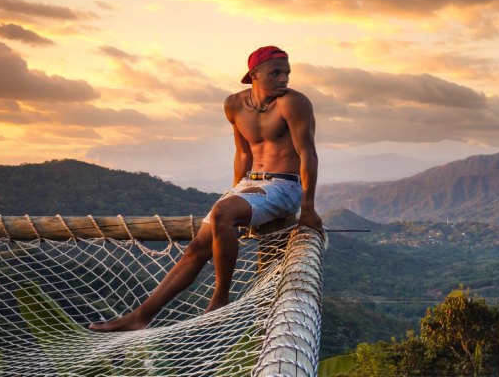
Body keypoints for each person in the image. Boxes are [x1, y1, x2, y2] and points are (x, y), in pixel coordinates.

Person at [90, 45, 324, 332]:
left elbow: (307, 153)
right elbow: (242, 154)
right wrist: (238, 194)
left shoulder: (293, 103)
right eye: (276, 72)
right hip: (250, 185)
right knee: (199, 247)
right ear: (254, 74)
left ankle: (220, 299)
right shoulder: (234, 105)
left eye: (287, 73)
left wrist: (308, 207)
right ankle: (141, 316)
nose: (284, 79)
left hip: (284, 185)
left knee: (223, 214)